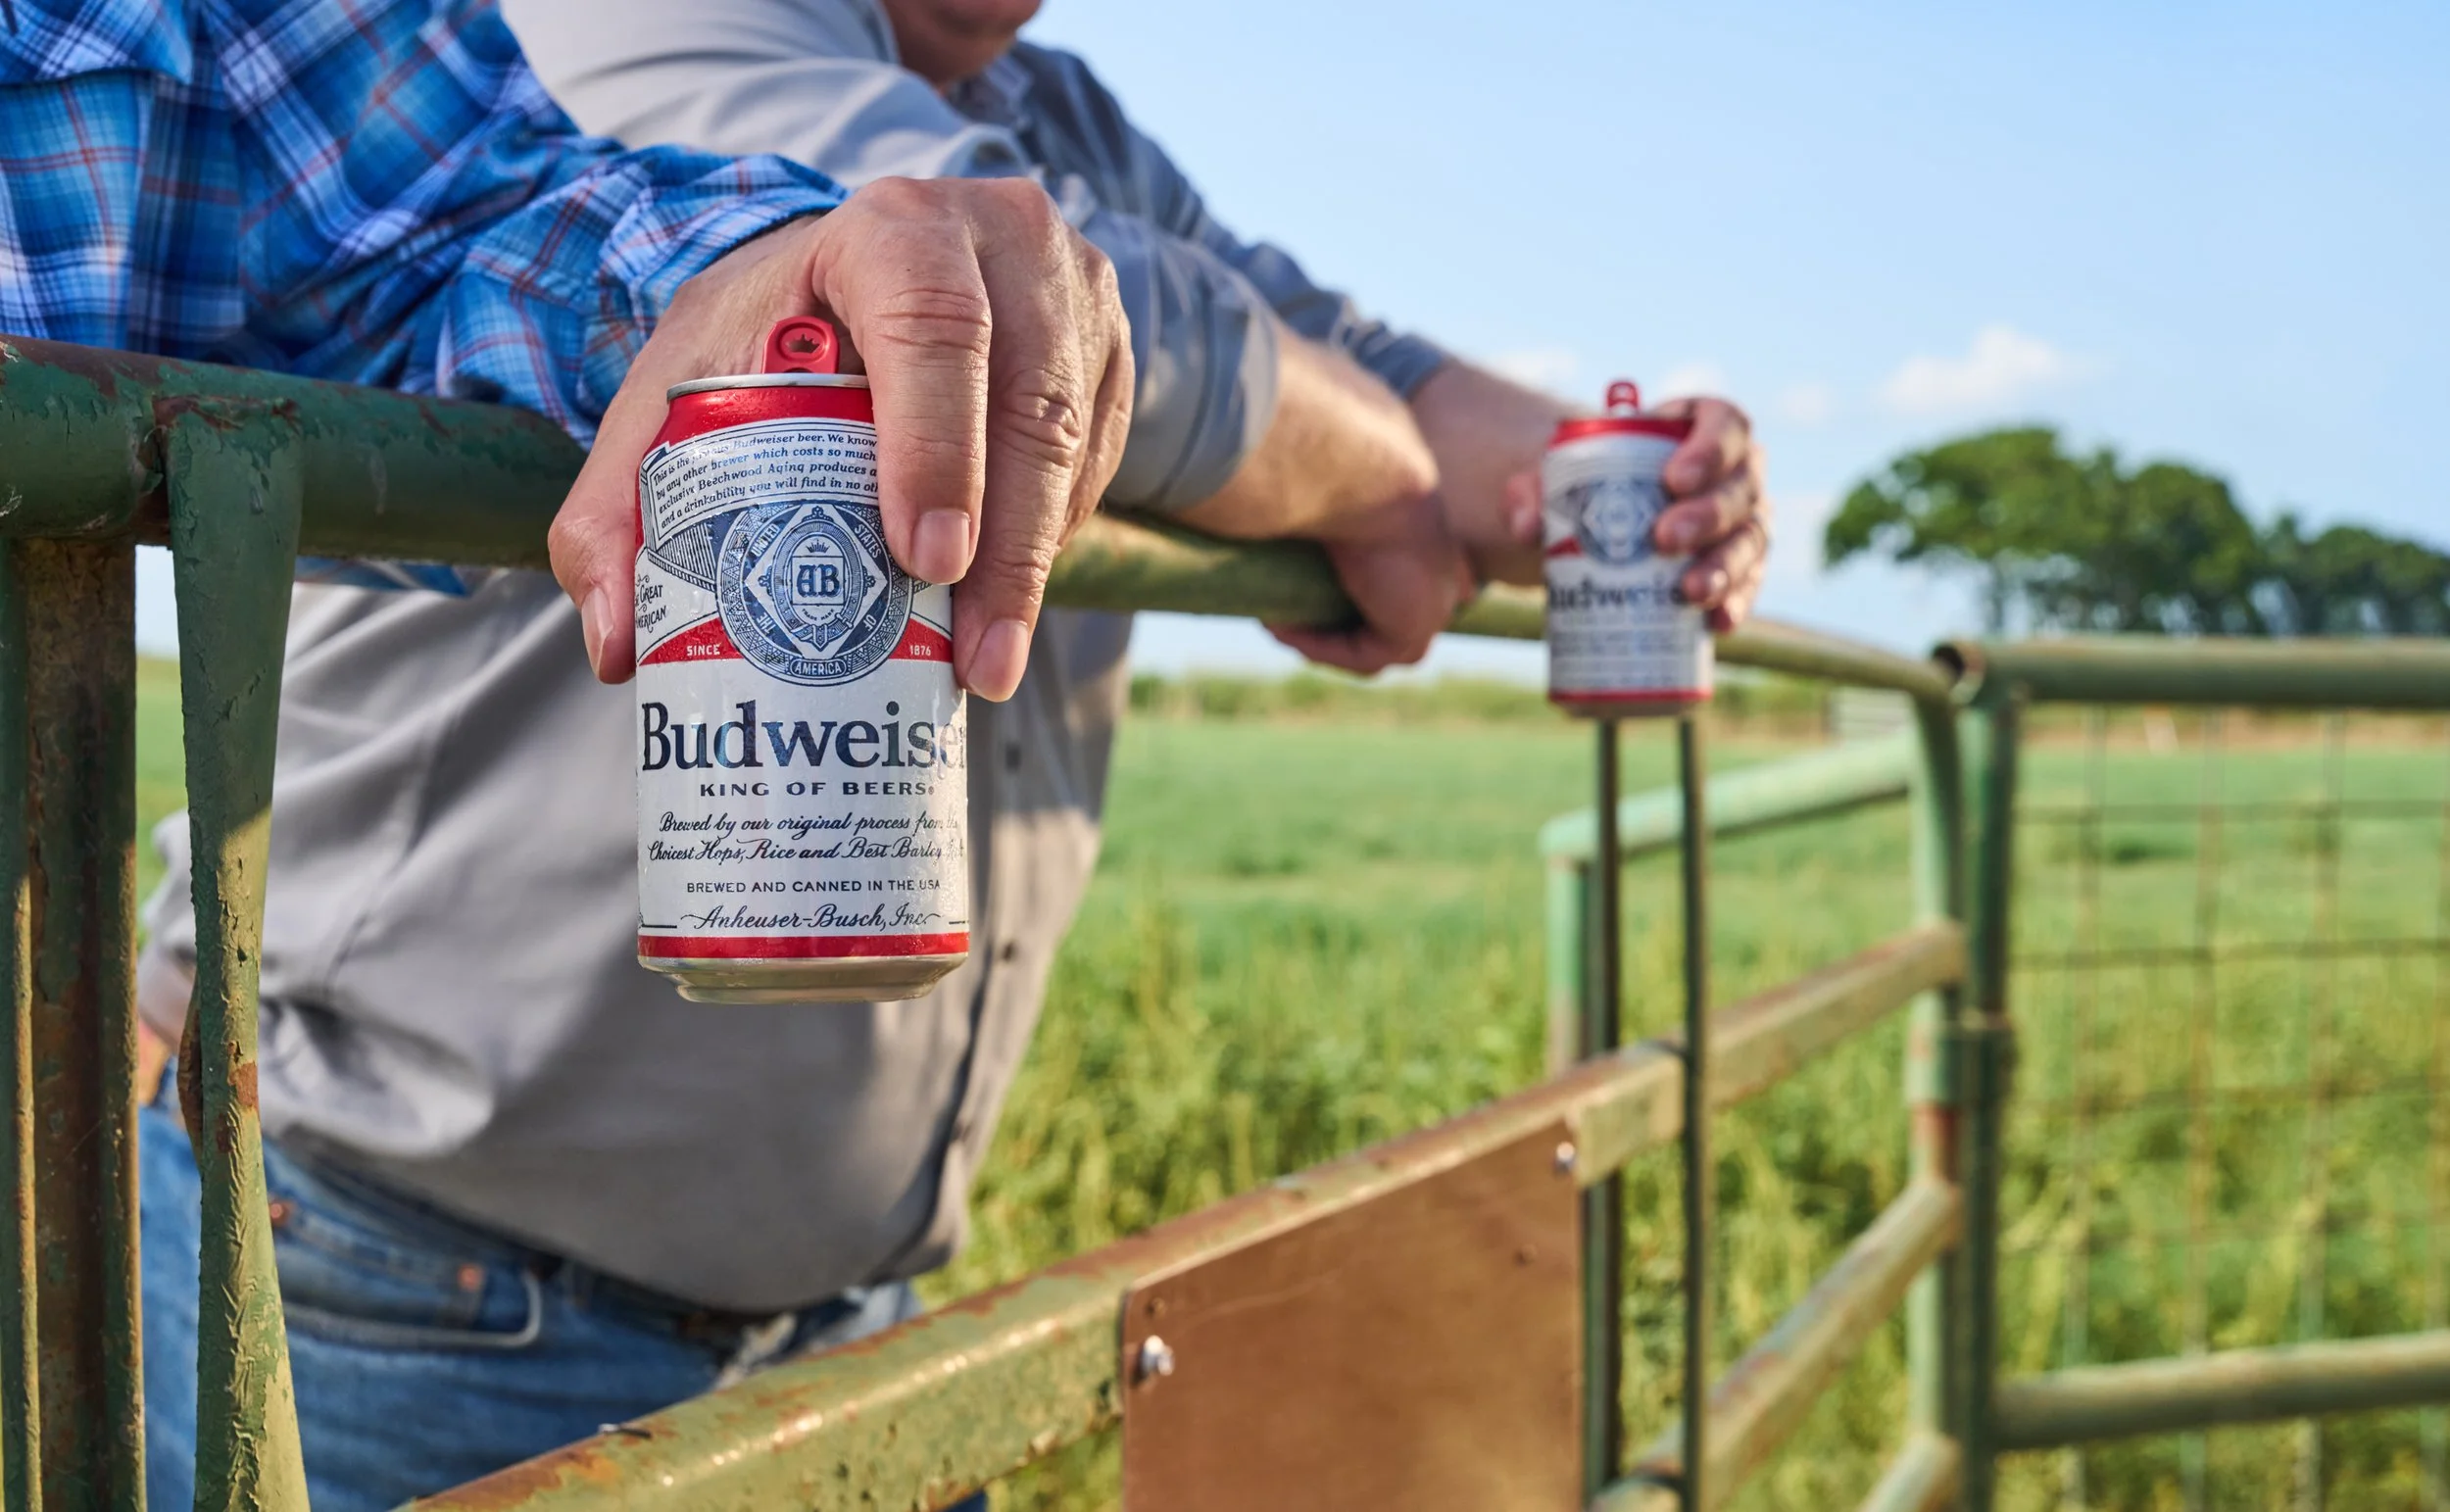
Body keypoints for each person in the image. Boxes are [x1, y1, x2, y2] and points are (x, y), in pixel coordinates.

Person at [89, 5, 1769, 1512]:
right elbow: (1089, 317)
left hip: (848, 1309)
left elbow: (1334, 356)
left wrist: (1621, 481)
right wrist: (1375, 483)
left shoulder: (1076, 123)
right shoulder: (640, 18)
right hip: (402, 1282)